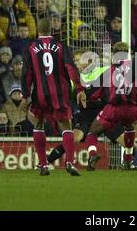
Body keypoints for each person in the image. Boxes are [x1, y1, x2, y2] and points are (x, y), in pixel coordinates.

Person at [21, 19, 86, 176]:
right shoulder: (61, 46)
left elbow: (26, 73)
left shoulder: (31, 47)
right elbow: (71, 68)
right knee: (66, 127)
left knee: (38, 125)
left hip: (40, 95)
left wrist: (25, 95)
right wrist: (79, 89)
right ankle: (69, 162)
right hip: (60, 94)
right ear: (51, 29)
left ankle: (43, 165)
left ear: (37, 29)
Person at [84, 42, 137, 171]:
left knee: (92, 132)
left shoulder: (110, 71)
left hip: (114, 108)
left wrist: (90, 97)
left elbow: (99, 92)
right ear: (128, 54)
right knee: (129, 127)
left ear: (114, 54)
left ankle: (92, 155)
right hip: (132, 109)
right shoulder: (136, 69)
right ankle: (128, 162)